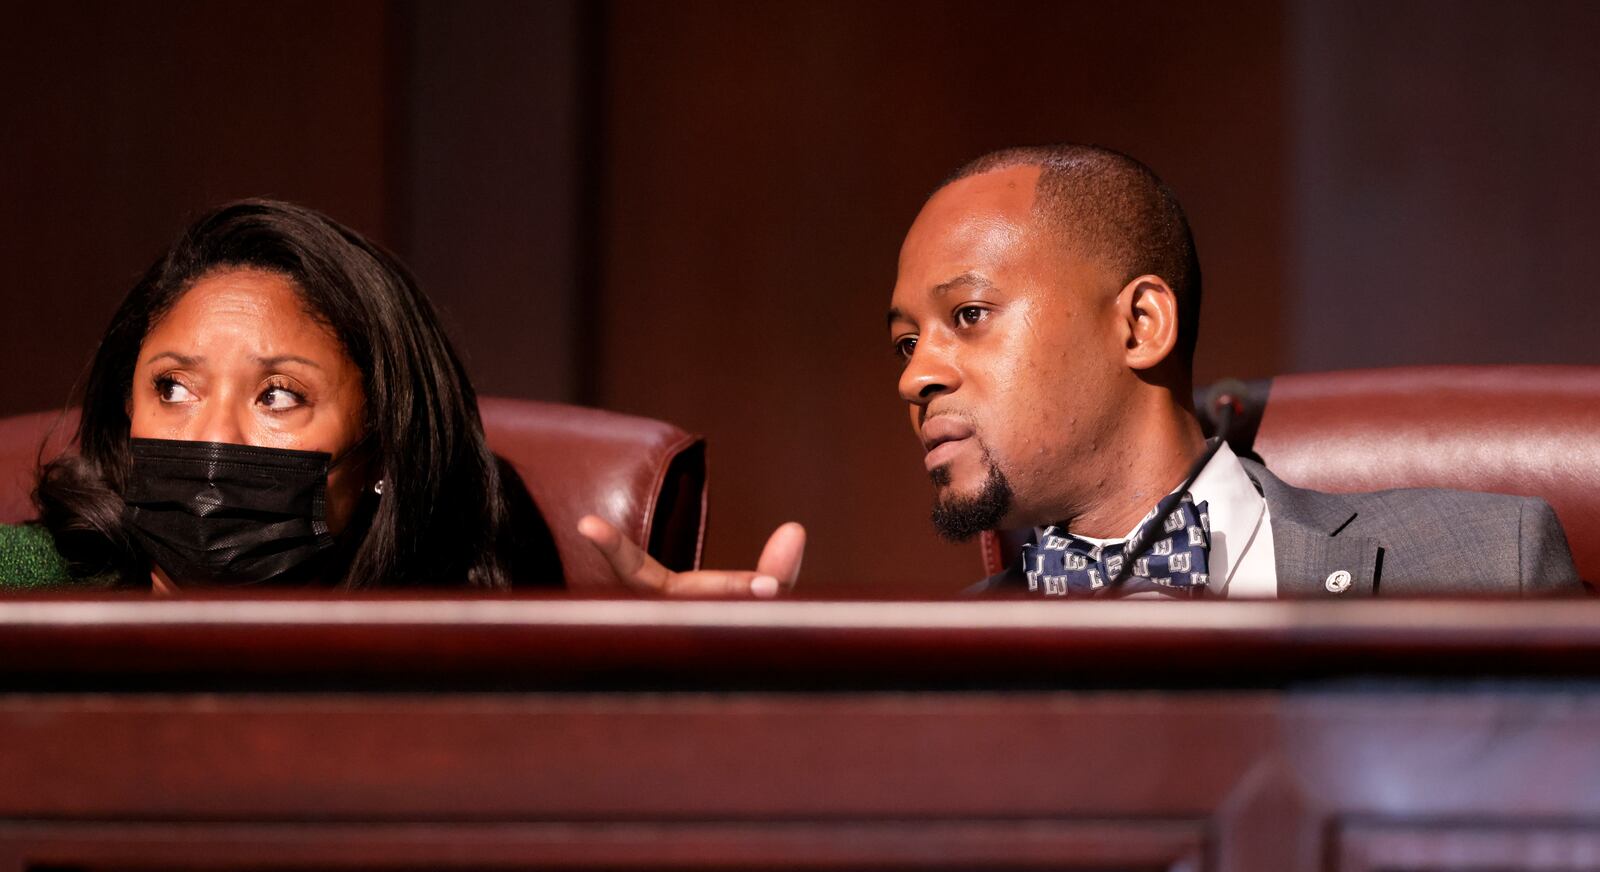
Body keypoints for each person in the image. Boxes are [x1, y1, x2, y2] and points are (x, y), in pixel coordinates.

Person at [589, 144, 1583, 597]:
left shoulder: (1481, 560)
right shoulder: (934, 668)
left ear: (1142, 322)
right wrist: (715, 697)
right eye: (903, 342)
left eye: (967, 316)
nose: (912, 377)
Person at [0, 199, 560, 591]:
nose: (213, 437)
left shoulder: (451, 649)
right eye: (172, 388)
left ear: (382, 450)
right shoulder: (29, 582)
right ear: (127, 412)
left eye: (278, 397)